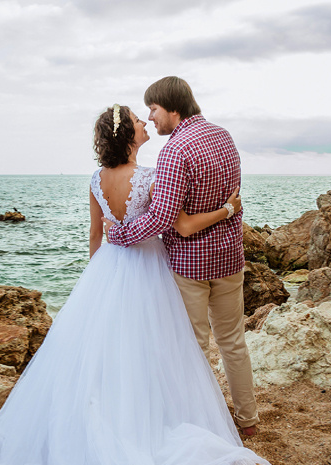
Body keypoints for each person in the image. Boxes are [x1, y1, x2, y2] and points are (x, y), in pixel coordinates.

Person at [0, 102, 279, 465]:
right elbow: (169, 224)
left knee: (104, 357)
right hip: (149, 273)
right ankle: (155, 425)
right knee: (157, 354)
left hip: (107, 273)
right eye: (136, 118)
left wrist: (95, 285)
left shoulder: (95, 178)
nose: (143, 121)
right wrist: (226, 211)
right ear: (127, 134)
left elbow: (96, 236)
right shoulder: (152, 174)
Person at [104, 76, 259, 438]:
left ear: (172, 107)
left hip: (191, 266)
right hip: (230, 259)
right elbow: (233, 200)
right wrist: (223, 212)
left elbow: (162, 218)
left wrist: (120, 235)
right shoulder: (223, 136)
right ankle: (248, 420)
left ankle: (204, 425)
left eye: (154, 109)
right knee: (234, 342)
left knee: (193, 348)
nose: (151, 117)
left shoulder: (176, 150)